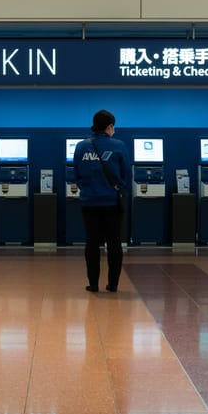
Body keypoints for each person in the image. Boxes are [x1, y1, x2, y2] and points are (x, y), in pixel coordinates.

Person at [73, 109, 130, 292]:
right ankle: (113, 284)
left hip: (89, 203)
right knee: (114, 243)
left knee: (92, 243)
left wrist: (90, 190)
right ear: (110, 126)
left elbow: (77, 175)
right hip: (113, 203)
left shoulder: (81, 147)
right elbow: (126, 175)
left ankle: (93, 284)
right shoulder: (119, 145)